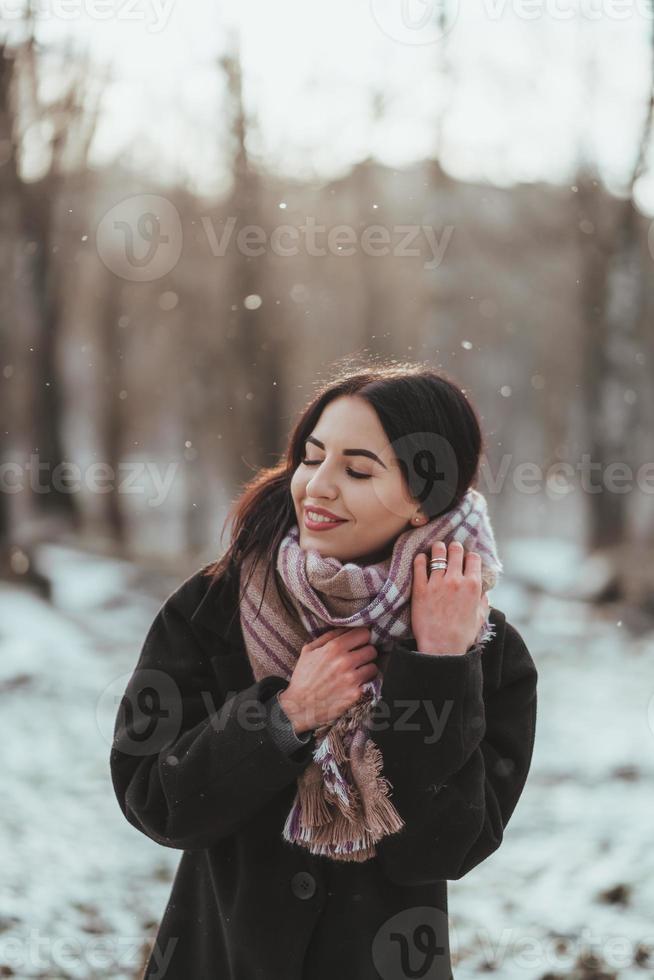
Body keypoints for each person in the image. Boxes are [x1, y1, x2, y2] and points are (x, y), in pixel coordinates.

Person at [110, 362, 538, 980]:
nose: (318, 487)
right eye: (312, 459)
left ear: (425, 502)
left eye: (358, 470)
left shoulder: (487, 649)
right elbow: (155, 799)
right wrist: (284, 717)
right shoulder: (216, 607)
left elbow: (441, 848)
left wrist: (439, 665)